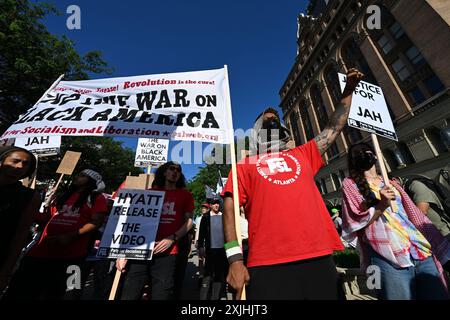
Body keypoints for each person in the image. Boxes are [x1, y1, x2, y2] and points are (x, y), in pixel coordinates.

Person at [222, 68, 364, 300]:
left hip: (318, 257)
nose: (273, 123)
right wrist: (235, 259)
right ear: (256, 132)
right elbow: (229, 209)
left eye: (275, 121)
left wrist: (348, 90)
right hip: (267, 264)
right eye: (266, 122)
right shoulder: (243, 165)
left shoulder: (303, 153)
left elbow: (334, 127)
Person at [341, 142, 450, 300]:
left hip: (418, 248)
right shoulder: (350, 185)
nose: (364, 155)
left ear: (375, 154)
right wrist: (381, 205)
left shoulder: (390, 181)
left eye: (367, 151)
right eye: (358, 154)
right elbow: (356, 220)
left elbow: (409, 213)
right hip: (387, 256)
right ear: (353, 161)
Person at [5, 169, 108, 299]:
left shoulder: (96, 198)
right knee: (20, 289)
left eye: (82, 176)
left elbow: (96, 222)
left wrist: (70, 236)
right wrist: (28, 211)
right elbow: (48, 218)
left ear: (92, 181)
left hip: (72, 255)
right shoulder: (64, 196)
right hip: (41, 252)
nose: (77, 177)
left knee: (58, 292)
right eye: (78, 174)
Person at [116, 161, 194, 300]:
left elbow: (189, 222)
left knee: (162, 293)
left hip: (168, 252)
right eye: (172, 169)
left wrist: (173, 238)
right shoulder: (149, 193)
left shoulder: (185, 195)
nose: (175, 171)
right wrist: (123, 254)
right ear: (164, 172)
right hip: (140, 250)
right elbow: (134, 222)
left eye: (178, 170)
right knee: (130, 291)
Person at [0, 146, 41, 294]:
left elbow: (21, 233)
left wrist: (6, 270)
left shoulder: (30, 197)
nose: (20, 167)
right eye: (15, 161)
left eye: (26, 164)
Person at [395, 176, 450, 241]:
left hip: (443, 232)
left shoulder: (414, 185)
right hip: (433, 236)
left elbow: (422, 212)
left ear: (394, 180)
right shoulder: (404, 191)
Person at [198, 198, 228, 300]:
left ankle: (215, 297)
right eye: (214, 204)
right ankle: (203, 297)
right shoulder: (206, 217)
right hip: (210, 250)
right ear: (210, 205)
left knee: (219, 275)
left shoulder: (224, 216)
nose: (216, 205)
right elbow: (201, 233)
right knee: (207, 274)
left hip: (221, 250)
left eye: (217, 204)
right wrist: (200, 247)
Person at [195, 203, 210, 287]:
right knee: (200, 259)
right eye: (203, 207)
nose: (203, 209)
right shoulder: (198, 218)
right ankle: (201, 276)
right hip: (199, 241)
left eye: (205, 207)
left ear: (208, 209)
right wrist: (196, 241)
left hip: (207, 242)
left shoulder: (209, 218)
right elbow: (197, 231)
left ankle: (207, 277)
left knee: (207, 259)